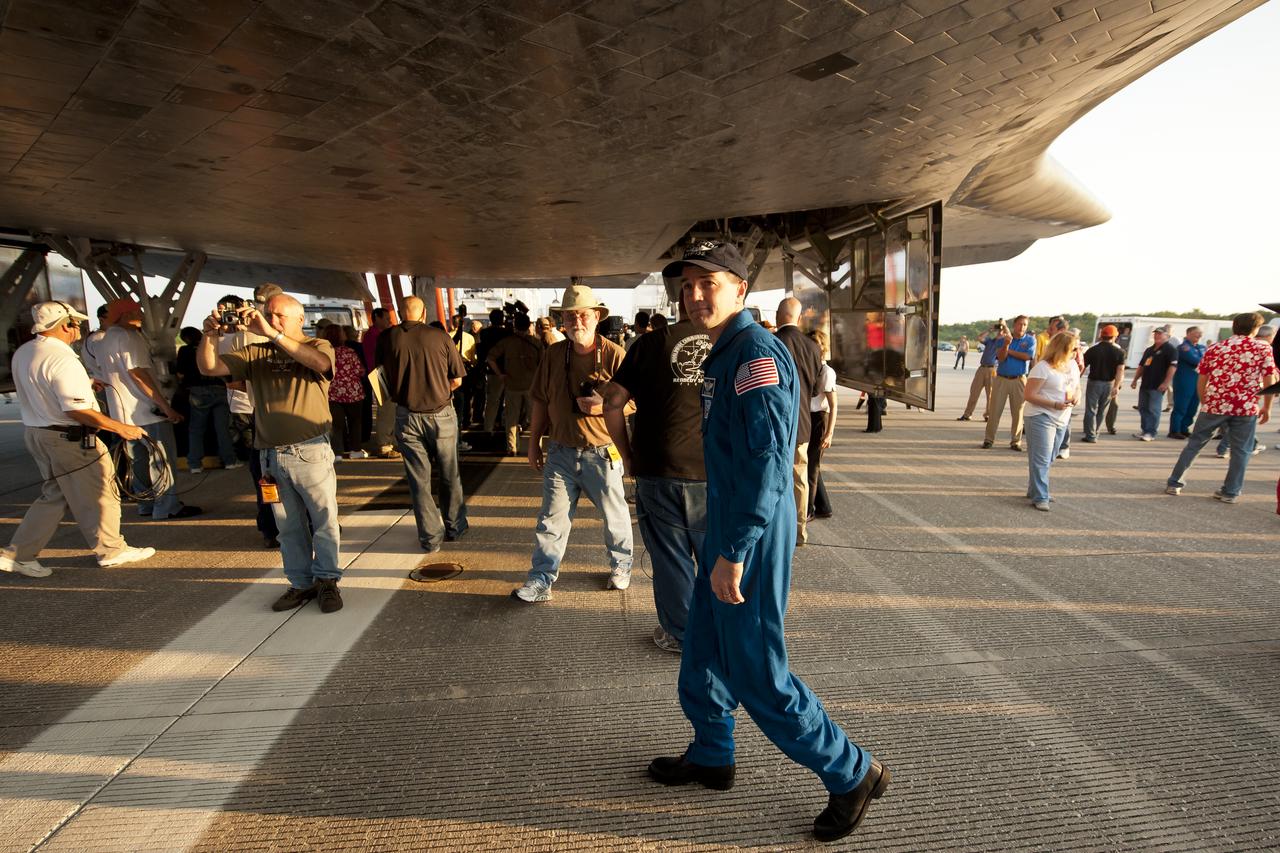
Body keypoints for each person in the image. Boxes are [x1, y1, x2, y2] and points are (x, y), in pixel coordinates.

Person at [647, 241, 887, 843]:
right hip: (727, 517)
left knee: (756, 670)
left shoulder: (756, 355)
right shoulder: (722, 352)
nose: (694, 293)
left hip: (749, 527)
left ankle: (851, 771)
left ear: (740, 290)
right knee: (701, 647)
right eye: (686, 284)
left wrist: (735, 550)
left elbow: (771, 464)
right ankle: (712, 753)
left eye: (709, 282)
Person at [197, 293, 344, 613]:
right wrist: (209, 336)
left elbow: (320, 365)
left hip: (310, 452)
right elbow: (209, 368)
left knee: (324, 521)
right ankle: (301, 583)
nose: (272, 320)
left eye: (280, 316)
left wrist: (273, 334)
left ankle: (328, 580)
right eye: (269, 315)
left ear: (299, 320)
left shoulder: (317, 346)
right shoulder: (254, 352)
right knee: (287, 526)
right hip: (269, 456)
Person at [0, 302, 156, 577]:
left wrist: (86, 384)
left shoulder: (25, 352)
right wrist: (121, 427)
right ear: (65, 325)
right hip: (70, 437)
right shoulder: (62, 358)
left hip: (38, 433)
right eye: (75, 323)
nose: (79, 328)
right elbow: (76, 410)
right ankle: (111, 550)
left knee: (55, 495)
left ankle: (18, 554)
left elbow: (44, 386)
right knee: (102, 491)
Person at [511, 284, 633, 602]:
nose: (576, 321)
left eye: (582, 315)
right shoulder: (553, 354)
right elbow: (539, 400)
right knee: (551, 520)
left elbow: (636, 401)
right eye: (569, 316)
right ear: (562, 321)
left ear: (596, 317)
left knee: (615, 515)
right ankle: (540, 580)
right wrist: (534, 442)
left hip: (602, 452)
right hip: (561, 451)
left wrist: (603, 406)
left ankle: (621, 566)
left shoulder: (614, 354)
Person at [603, 297, 708, 653]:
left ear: (679, 304)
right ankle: (722, 634)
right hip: (716, 471)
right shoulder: (734, 341)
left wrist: (626, 453)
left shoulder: (649, 343)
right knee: (720, 557)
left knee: (670, 557)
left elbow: (612, 401)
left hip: (658, 466)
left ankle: (680, 634)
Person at [98, 298, 201, 520]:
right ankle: (167, 506)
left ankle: (146, 504)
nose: (142, 314)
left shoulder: (106, 339)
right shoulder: (130, 337)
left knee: (138, 460)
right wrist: (166, 407)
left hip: (122, 414)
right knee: (161, 460)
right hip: (146, 412)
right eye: (137, 310)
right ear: (125, 314)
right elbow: (139, 373)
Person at [381, 296, 468, 552]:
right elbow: (457, 380)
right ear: (424, 312)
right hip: (441, 414)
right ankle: (455, 526)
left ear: (399, 312)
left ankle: (430, 538)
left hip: (406, 415)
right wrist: (440, 390)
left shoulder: (388, 338)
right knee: (449, 474)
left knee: (419, 479)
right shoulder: (440, 337)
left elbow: (380, 375)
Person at [1165, 312, 1277, 502]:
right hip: (1245, 406)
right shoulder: (1262, 348)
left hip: (1215, 404)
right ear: (1256, 329)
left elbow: (1202, 377)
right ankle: (1230, 492)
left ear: (1234, 326)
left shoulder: (1216, 347)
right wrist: (1267, 406)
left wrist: (1204, 400)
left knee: (1195, 445)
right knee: (1241, 450)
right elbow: (1269, 378)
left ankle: (1175, 483)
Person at [774, 297, 823, 546]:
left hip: (773, 425)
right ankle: (799, 532)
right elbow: (815, 390)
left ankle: (774, 532)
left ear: (777, 316)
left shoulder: (771, 342)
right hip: (802, 424)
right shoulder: (813, 347)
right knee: (799, 479)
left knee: (771, 478)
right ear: (799, 317)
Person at [1022, 331, 1081, 510]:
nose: (1077, 353)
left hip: (1062, 418)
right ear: (1062, 349)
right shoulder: (1042, 367)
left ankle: (1035, 490)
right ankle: (1041, 496)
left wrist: (1077, 397)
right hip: (1041, 415)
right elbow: (1029, 395)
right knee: (1041, 458)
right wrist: (1053, 404)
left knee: (1050, 456)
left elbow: (1077, 386)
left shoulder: (1072, 365)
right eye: (1073, 349)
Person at [176, 325, 239, 474]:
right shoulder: (214, 347)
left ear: (185, 339)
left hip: (197, 391)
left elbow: (180, 374)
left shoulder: (185, 351)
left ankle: (195, 464)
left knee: (196, 429)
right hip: (219, 388)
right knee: (222, 428)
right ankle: (230, 460)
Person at [486, 313, 544, 456]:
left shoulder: (507, 342)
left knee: (511, 418)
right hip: (532, 386)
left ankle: (512, 448)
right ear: (529, 325)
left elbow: (490, 358)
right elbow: (544, 365)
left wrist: (500, 374)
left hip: (512, 385)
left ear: (514, 325)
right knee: (535, 420)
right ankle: (536, 447)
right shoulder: (537, 343)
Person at [983, 315, 1035, 450]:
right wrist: (1006, 344)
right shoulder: (1003, 339)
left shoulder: (1030, 340)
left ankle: (1015, 441)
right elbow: (1000, 358)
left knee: (1018, 412)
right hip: (1002, 378)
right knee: (995, 410)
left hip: (1019, 379)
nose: (1022, 327)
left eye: (1025, 325)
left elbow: (1027, 356)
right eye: (1020, 324)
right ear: (1014, 325)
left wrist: (1009, 350)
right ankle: (989, 439)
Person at [322, 325, 367, 459]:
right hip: (353, 392)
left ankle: (337, 453)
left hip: (332, 393)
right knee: (355, 422)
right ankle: (356, 450)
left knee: (336, 425)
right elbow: (360, 371)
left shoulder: (324, 353)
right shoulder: (349, 352)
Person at [806, 329, 837, 520]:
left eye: (816, 344)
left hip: (820, 419)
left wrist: (830, 433)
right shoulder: (810, 367)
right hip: (807, 418)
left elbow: (834, 405)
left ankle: (808, 510)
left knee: (811, 467)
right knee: (811, 463)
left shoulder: (826, 371)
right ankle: (824, 506)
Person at [1130, 326, 1177, 441]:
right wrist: (1135, 379)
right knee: (1143, 408)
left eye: (1160, 334)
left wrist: (1166, 383)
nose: (1157, 336)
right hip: (1146, 383)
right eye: (1155, 334)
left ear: (1167, 336)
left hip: (1158, 385)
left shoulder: (1170, 349)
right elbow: (1142, 366)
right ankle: (1145, 430)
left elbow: (1172, 367)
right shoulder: (1149, 350)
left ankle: (1151, 432)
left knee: (1153, 409)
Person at [1080, 324, 1125, 442]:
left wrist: (1076, 380)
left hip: (1094, 382)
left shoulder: (1092, 350)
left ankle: (1090, 435)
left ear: (1101, 336)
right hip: (1109, 383)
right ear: (1115, 337)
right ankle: (1096, 433)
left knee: (1091, 409)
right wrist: (1116, 386)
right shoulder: (1119, 352)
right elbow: (1120, 370)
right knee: (1101, 410)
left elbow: (1082, 366)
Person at [1168, 326, 1206, 439]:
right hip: (1184, 381)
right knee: (1181, 406)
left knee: (1193, 407)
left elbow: (1208, 360)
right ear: (1188, 333)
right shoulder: (1183, 347)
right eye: (1196, 333)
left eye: (1200, 333)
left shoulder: (1202, 347)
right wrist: (1205, 360)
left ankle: (1184, 428)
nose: (1199, 336)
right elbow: (1196, 361)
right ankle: (1175, 430)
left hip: (1198, 381)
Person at [958, 324, 1002, 421]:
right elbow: (980, 338)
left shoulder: (1003, 343)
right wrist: (990, 330)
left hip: (993, 369)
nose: (1000, 333)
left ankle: (988, 415)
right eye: (999, 331)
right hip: (982, 368)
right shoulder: (990, 341)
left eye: (1001, 331)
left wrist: (1004, 330)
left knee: (990, 394)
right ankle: (967, 414)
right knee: (974, 392)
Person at [477, 309, 510, 433]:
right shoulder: (507, 333)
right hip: (507, 370)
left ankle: (488, 427)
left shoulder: (484, 333)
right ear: (502, 319)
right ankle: (505, 424)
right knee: (510, 401)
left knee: (492, 401)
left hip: (491, 370)